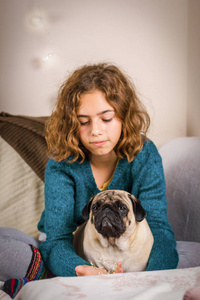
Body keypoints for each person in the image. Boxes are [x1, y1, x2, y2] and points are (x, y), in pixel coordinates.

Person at [1, 63, 178, 297]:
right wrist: (80, 270)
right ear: (72, 124)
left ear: (124, 117)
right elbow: (57, 238)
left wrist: (150, 280)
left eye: (106, 118)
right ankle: (54, 274)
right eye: (84, 121)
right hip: (72, 251)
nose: (95, 131)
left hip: (130, 255)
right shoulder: (62, 162)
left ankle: (42, 279)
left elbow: (159, 227)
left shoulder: (145, 154)